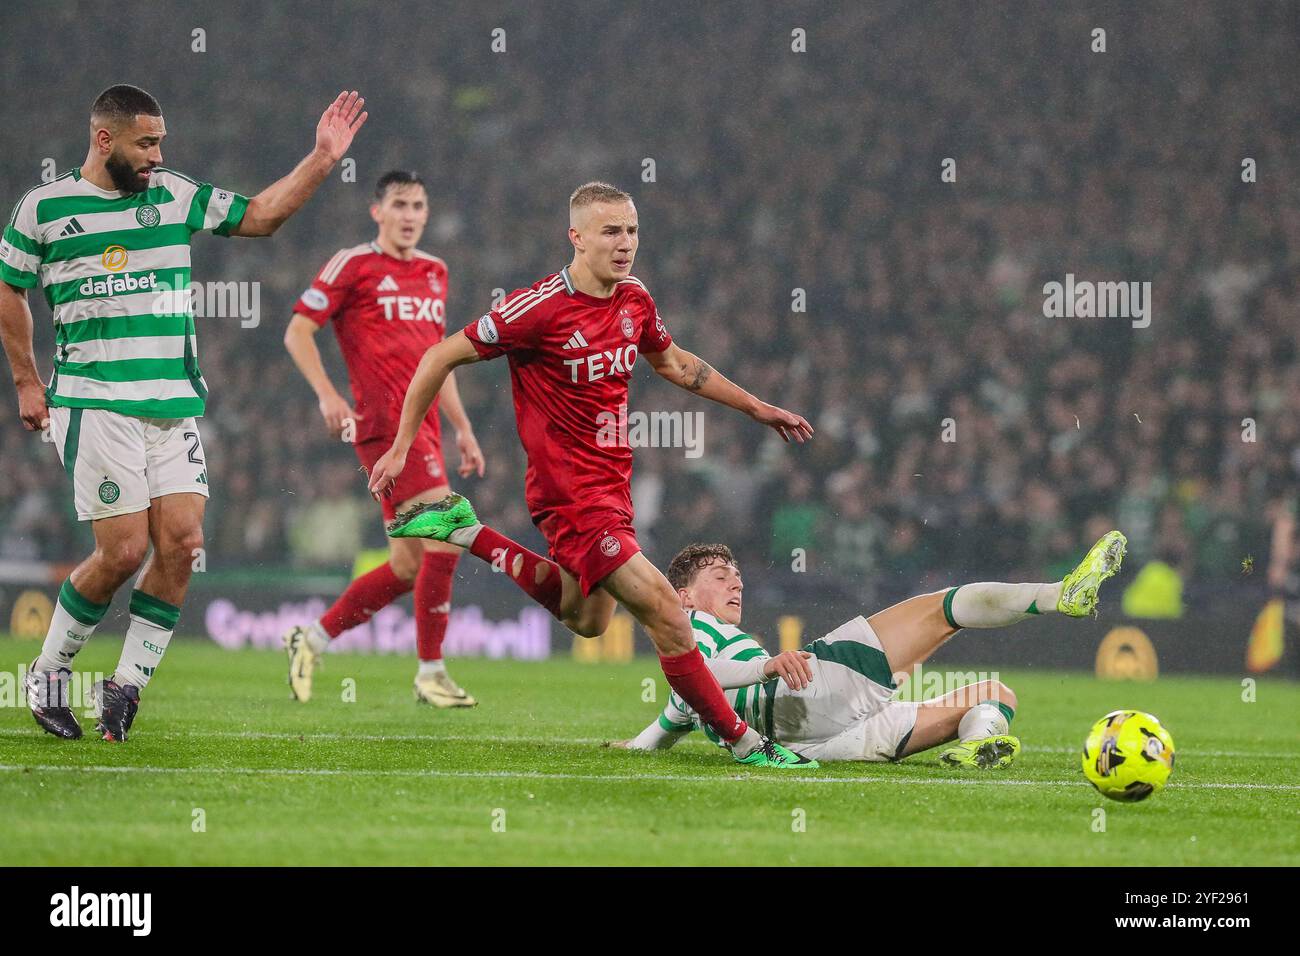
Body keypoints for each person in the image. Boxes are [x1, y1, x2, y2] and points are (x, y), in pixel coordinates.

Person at [367, 181, 816, 768]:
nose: (625, 242)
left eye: (631, 230)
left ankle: (466, 531)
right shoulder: (535, 309)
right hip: (571, 494)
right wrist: (403, 445)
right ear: (576, 237)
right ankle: (748, 746)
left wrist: (758, 407)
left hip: (613, 485)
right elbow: (437, 355)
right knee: (666, 613)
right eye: (611, 231)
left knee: (586, 619)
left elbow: (677, 363)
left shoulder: (634, 299)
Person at [0, 84, 367, 741]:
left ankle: (125, 690)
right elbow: (9, 286)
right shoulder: (45, 209)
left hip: (172, 404)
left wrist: (321, 159)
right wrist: (28, 381)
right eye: (147, 143)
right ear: (105, 141)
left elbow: (260, 216)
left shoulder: (172, 192)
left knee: (183, 544)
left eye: (161, 141)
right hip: (94, 400)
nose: (158, 154)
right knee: (122, 551)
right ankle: (50, 673)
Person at [609, 532, 1126, 766]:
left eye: (738, 576)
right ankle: (1061, 595)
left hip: (818, 741)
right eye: (721, 577)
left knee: (994, 693)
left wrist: (627, 751)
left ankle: (979, 745)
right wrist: (766, 664)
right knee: (943, 608)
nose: (735, 584)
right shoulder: (689, 623)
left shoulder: (686, 680)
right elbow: (698, 671)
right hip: (807, 696)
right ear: (684, 596)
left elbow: (658, 732)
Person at [281, 170, 484, 707]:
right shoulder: (354, 265)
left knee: (406, 566)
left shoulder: (435, 271)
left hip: (428, 430)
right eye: (400, 204)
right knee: (446, 534)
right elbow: (298, 330)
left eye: (419, 204)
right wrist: (327, 394)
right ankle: (430, 673)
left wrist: (463, 428)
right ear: (378, 212)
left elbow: (439, 360)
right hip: (382, 431)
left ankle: (313, 637)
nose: (411, 214)